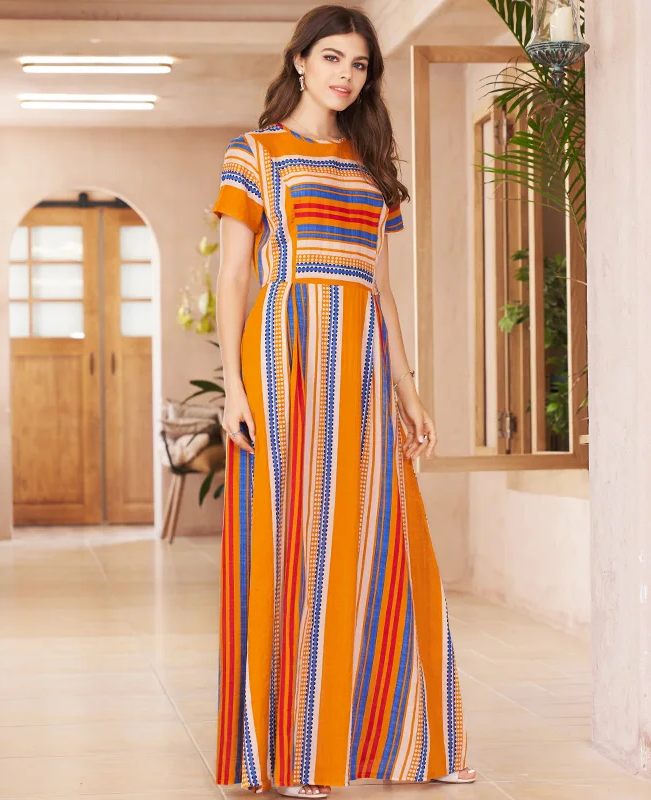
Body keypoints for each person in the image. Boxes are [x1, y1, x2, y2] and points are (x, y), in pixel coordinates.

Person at [212, 4, 475, 796]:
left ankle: (411, 745)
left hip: (361, 367)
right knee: (294, 541)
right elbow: (233, 274)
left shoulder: (371, 165)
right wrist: (233, 386)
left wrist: (408, 389)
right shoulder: (254, 153)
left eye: (358, 64)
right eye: (331, 57)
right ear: (299, 60)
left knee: (382, 539)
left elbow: (382, 290)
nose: (345, 75)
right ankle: (294, 756)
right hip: (283, 363)